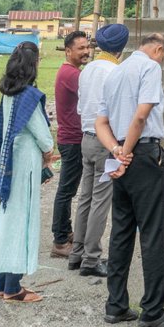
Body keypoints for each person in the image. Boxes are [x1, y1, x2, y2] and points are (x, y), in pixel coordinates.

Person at [95, 32, 164, 327]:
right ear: (157, 49)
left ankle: (116, 305)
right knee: (153, 233)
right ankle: (153, 311)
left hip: (121, 153)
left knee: (121, 230)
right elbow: (142, 115)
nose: (162, 61)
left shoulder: (115, 72)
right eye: (163, 55)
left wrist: (116, 151)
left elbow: (100, 122)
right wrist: (127, 152)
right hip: (143, 154)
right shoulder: (150, 68)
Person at [0, 41, 54, 303]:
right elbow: (44, 137)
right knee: (21, 219)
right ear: (32, 65)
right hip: (24, 163)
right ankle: (13, 288)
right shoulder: (29, 96)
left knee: (8, 219)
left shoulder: (8, 92)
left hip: (7, 160)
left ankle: (2, 284)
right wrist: (49, 152)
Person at [68, 22, 130, 277]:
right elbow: (118, 112)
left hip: (87, 138)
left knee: (85, 197)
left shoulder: (88, 69)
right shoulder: (116, 72)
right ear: (122, 48)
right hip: (107, 140)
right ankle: (91, 259)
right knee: (101, 202)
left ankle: (76, 253)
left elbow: (82, 107)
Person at [50, 28, 90, 257]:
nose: (86, 51)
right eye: (81, 48)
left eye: (87, 47)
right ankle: (60, 241)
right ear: (67, 51)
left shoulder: (72, 71)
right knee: (66, 191)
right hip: (73, 139)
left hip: (72, 137)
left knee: (68, 190)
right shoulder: (72, 75)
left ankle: (65, 232)